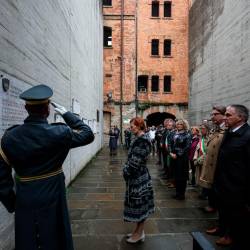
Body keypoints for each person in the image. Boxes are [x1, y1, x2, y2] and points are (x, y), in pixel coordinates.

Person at [0, 84, 94, 250]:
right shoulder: (60, 133)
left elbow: (1, 177)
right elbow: (87, 134)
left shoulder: (9, 137)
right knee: (56, 238)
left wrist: (12, 203)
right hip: (53, 194)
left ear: (26, 108)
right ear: (47, 110)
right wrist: (67, 114)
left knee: (27, 239)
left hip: (25, 197)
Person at [214, 104, 250, 250]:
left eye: (228, 115)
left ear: (240, 117)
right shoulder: (229, 132)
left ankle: (235, 238)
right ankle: (226, 234)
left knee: (238, 218)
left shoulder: (247, 136)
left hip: (237, 188)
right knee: (226, 213)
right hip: (224, 183)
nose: (225, 117)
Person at [123, 117, 155, 243]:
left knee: (140, 205)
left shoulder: (142, 140)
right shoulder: (139, 138)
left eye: (132, 126)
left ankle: (140, 233)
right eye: (130, 126)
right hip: (137, 176)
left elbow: (135, 162)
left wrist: (126, 171)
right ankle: (137, 231)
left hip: (138, 177)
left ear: (140, 126)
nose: (131, 129)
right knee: (138, 204)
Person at [169, 119, 192, 200]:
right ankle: (177, 193)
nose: (178, 125)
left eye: (180, 124)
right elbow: (171, 144)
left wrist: (177, 154)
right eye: (177, 124)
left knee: (182, 177)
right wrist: (171, 152)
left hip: (182, 159)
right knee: (175, 176)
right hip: (174, 157)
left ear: (184, 125)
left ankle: (182, 194)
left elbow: (187, 147)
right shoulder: (174, 133)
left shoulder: (187, 134)